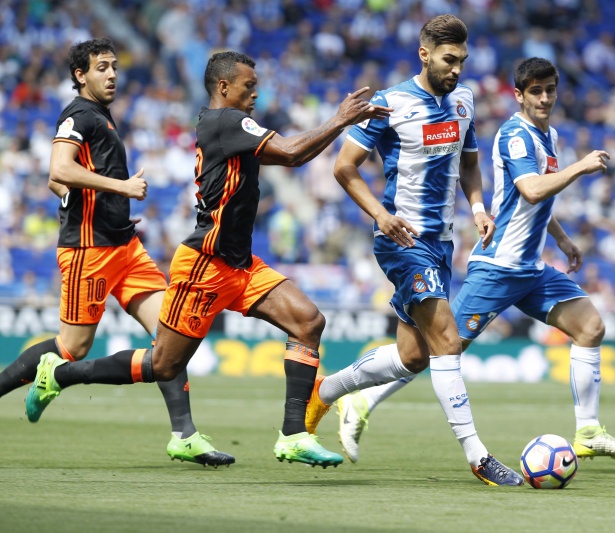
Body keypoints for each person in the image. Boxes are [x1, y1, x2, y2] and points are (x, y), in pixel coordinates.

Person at [24, 50, 391, 468]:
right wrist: (340, 119)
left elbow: (296, 156)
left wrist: (338, 125)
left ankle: (294, 435)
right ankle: (60, 374)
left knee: (308, 322)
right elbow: (291, 152)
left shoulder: (229, 128)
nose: (256, 93)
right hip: (205, 266)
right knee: (164, 365)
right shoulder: (226, 122)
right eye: (248, 86)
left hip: (240, 264)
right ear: (224, 86)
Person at [334, 57, 615, 466]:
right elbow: (532, 190)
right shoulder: (516, 135)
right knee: (437, 349)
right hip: (498, 267)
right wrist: (580, 167)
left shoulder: (548, 136)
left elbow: (531, 202)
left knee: (591, 327)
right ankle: (361, 400)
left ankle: (587, 432)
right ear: (519, 95)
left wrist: (562, 238)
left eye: (550, 90)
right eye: (535, 91)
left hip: (531, 268)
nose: (544, 98)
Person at [0, 38, 233, 467]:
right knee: (72, 348)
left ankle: (185, 435)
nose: (111, 75)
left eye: (114, 67)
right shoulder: (78, 114)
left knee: (170, 335)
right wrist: (121, 188)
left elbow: (59, 183)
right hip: (89, 250)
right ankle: (44, 377)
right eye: (101, 67)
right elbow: (58, 169)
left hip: (125, 246)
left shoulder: (102, 117)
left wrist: (104, 204)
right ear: (80, 75)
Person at [303, 15, 513, 487]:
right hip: (402, 241)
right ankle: (478, 456)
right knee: (447, 341)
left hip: (442, 243)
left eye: (462, 60)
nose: (456, 69)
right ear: (424, 54)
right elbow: (344, 167)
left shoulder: (464, 100)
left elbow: (470, 162)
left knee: (412, 356)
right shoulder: (389, 103)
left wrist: (479, 207)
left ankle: (327, 390)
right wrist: (380, 214)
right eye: (448, 59)